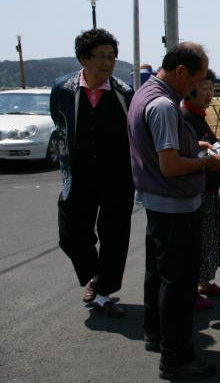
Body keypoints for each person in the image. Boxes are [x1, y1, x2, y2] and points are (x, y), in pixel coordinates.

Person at [127, 42, 220, 380]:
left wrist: (192, 145)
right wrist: (206, 161)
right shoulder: (165, 105)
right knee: (179, 284)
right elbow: (169, 165)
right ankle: (177, 358)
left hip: (157, 203)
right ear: (182, 71)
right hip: (175, 206)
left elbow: (161, 149)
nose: (197, 87)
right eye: (197, 79)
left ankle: (156, 334)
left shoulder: (145, 92)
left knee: (158, 274)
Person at [50, 28, 134, 318]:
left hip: (118, 177)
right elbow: (59, 122)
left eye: (111, 57)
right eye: (100, 56)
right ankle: (93, 274)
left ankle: (103, 291)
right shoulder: (63, 89)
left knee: (115, 235)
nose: (107, 63)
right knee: (71, 234)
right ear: (83, 59)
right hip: (79, 175)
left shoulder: (124, 93)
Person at [181, 68, 220, 310]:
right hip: (198, 189)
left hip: (210, 187)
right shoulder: (185, 116)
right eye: (204, 87)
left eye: (211, 88)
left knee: (209, 238)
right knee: (198, 241)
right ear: (190, 90)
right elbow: (188, 152)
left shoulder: (199, 115)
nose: (209, 92)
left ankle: (204, 281)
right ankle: (192, 288)